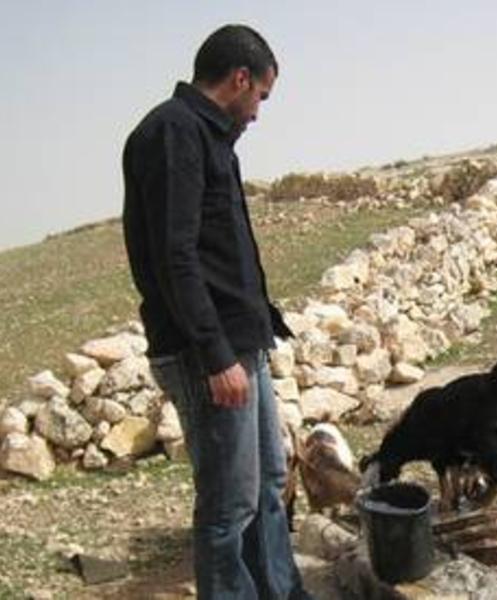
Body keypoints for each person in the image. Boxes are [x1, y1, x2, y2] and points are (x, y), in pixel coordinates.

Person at [122, 25, 313, 600]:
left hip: (237, 342)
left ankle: (281, 591)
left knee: (267, 484)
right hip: (207, 351)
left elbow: (216, 251)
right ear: (239, 79)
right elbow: (174, 256)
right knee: (229, 502)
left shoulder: (210, 137)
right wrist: (215, 353)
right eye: (261, 97)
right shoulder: (172, 133)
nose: (258, 113)